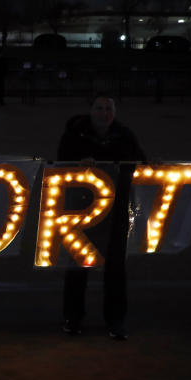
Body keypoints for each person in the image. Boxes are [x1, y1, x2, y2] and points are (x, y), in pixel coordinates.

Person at [57, 94, 146, 340]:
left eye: (108, 108)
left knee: (116, 268)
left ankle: (116, 320)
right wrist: (78, 162)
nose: (104, 112)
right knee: (78, 264)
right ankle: (73, 317)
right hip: (82, 210)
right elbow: (61, 161)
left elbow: (140, 158)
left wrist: (153, 165)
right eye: (99, 108)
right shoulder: (74, 134)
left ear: (114, 112)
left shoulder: (125, 135)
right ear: (90, 110)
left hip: (116, 209)